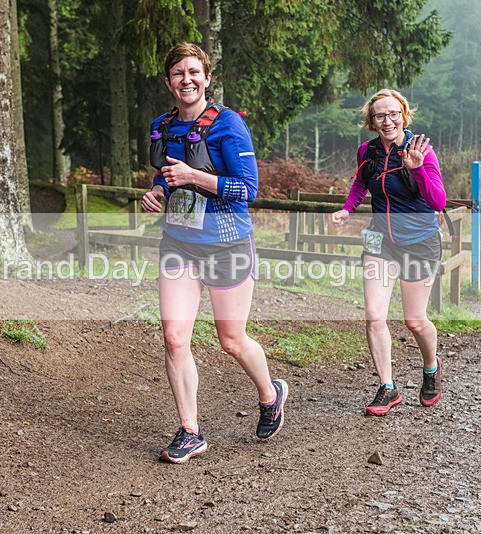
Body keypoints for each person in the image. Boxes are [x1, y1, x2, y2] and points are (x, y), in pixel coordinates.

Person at [141, 43, 287, 463]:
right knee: (174, 338)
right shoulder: (163, 124)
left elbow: (248, 191)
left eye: (193, 72)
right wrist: (158, 190)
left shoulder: (229, 125)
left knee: (231, 340)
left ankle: (270, 394)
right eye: (177, 73)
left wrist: (195, 177)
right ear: (168, 82)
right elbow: (166, 174)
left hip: (227, 245)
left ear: (206, 78)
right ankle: (190, 431)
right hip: (179, 243)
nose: (185, 80)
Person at [331, 89, 446, 416]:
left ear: (403, 116)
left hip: (420, 241)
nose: (388, 120)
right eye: (380, 115)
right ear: (372, 121)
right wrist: (347, 209)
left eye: (394, 113)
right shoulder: (366, 152)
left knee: (414, 320)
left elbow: (438, 202)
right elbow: (362, 183)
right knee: (374, 314)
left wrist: (417, 168)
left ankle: (430, 368)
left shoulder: (421, 150)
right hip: (380, 240)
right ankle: (387, 387)